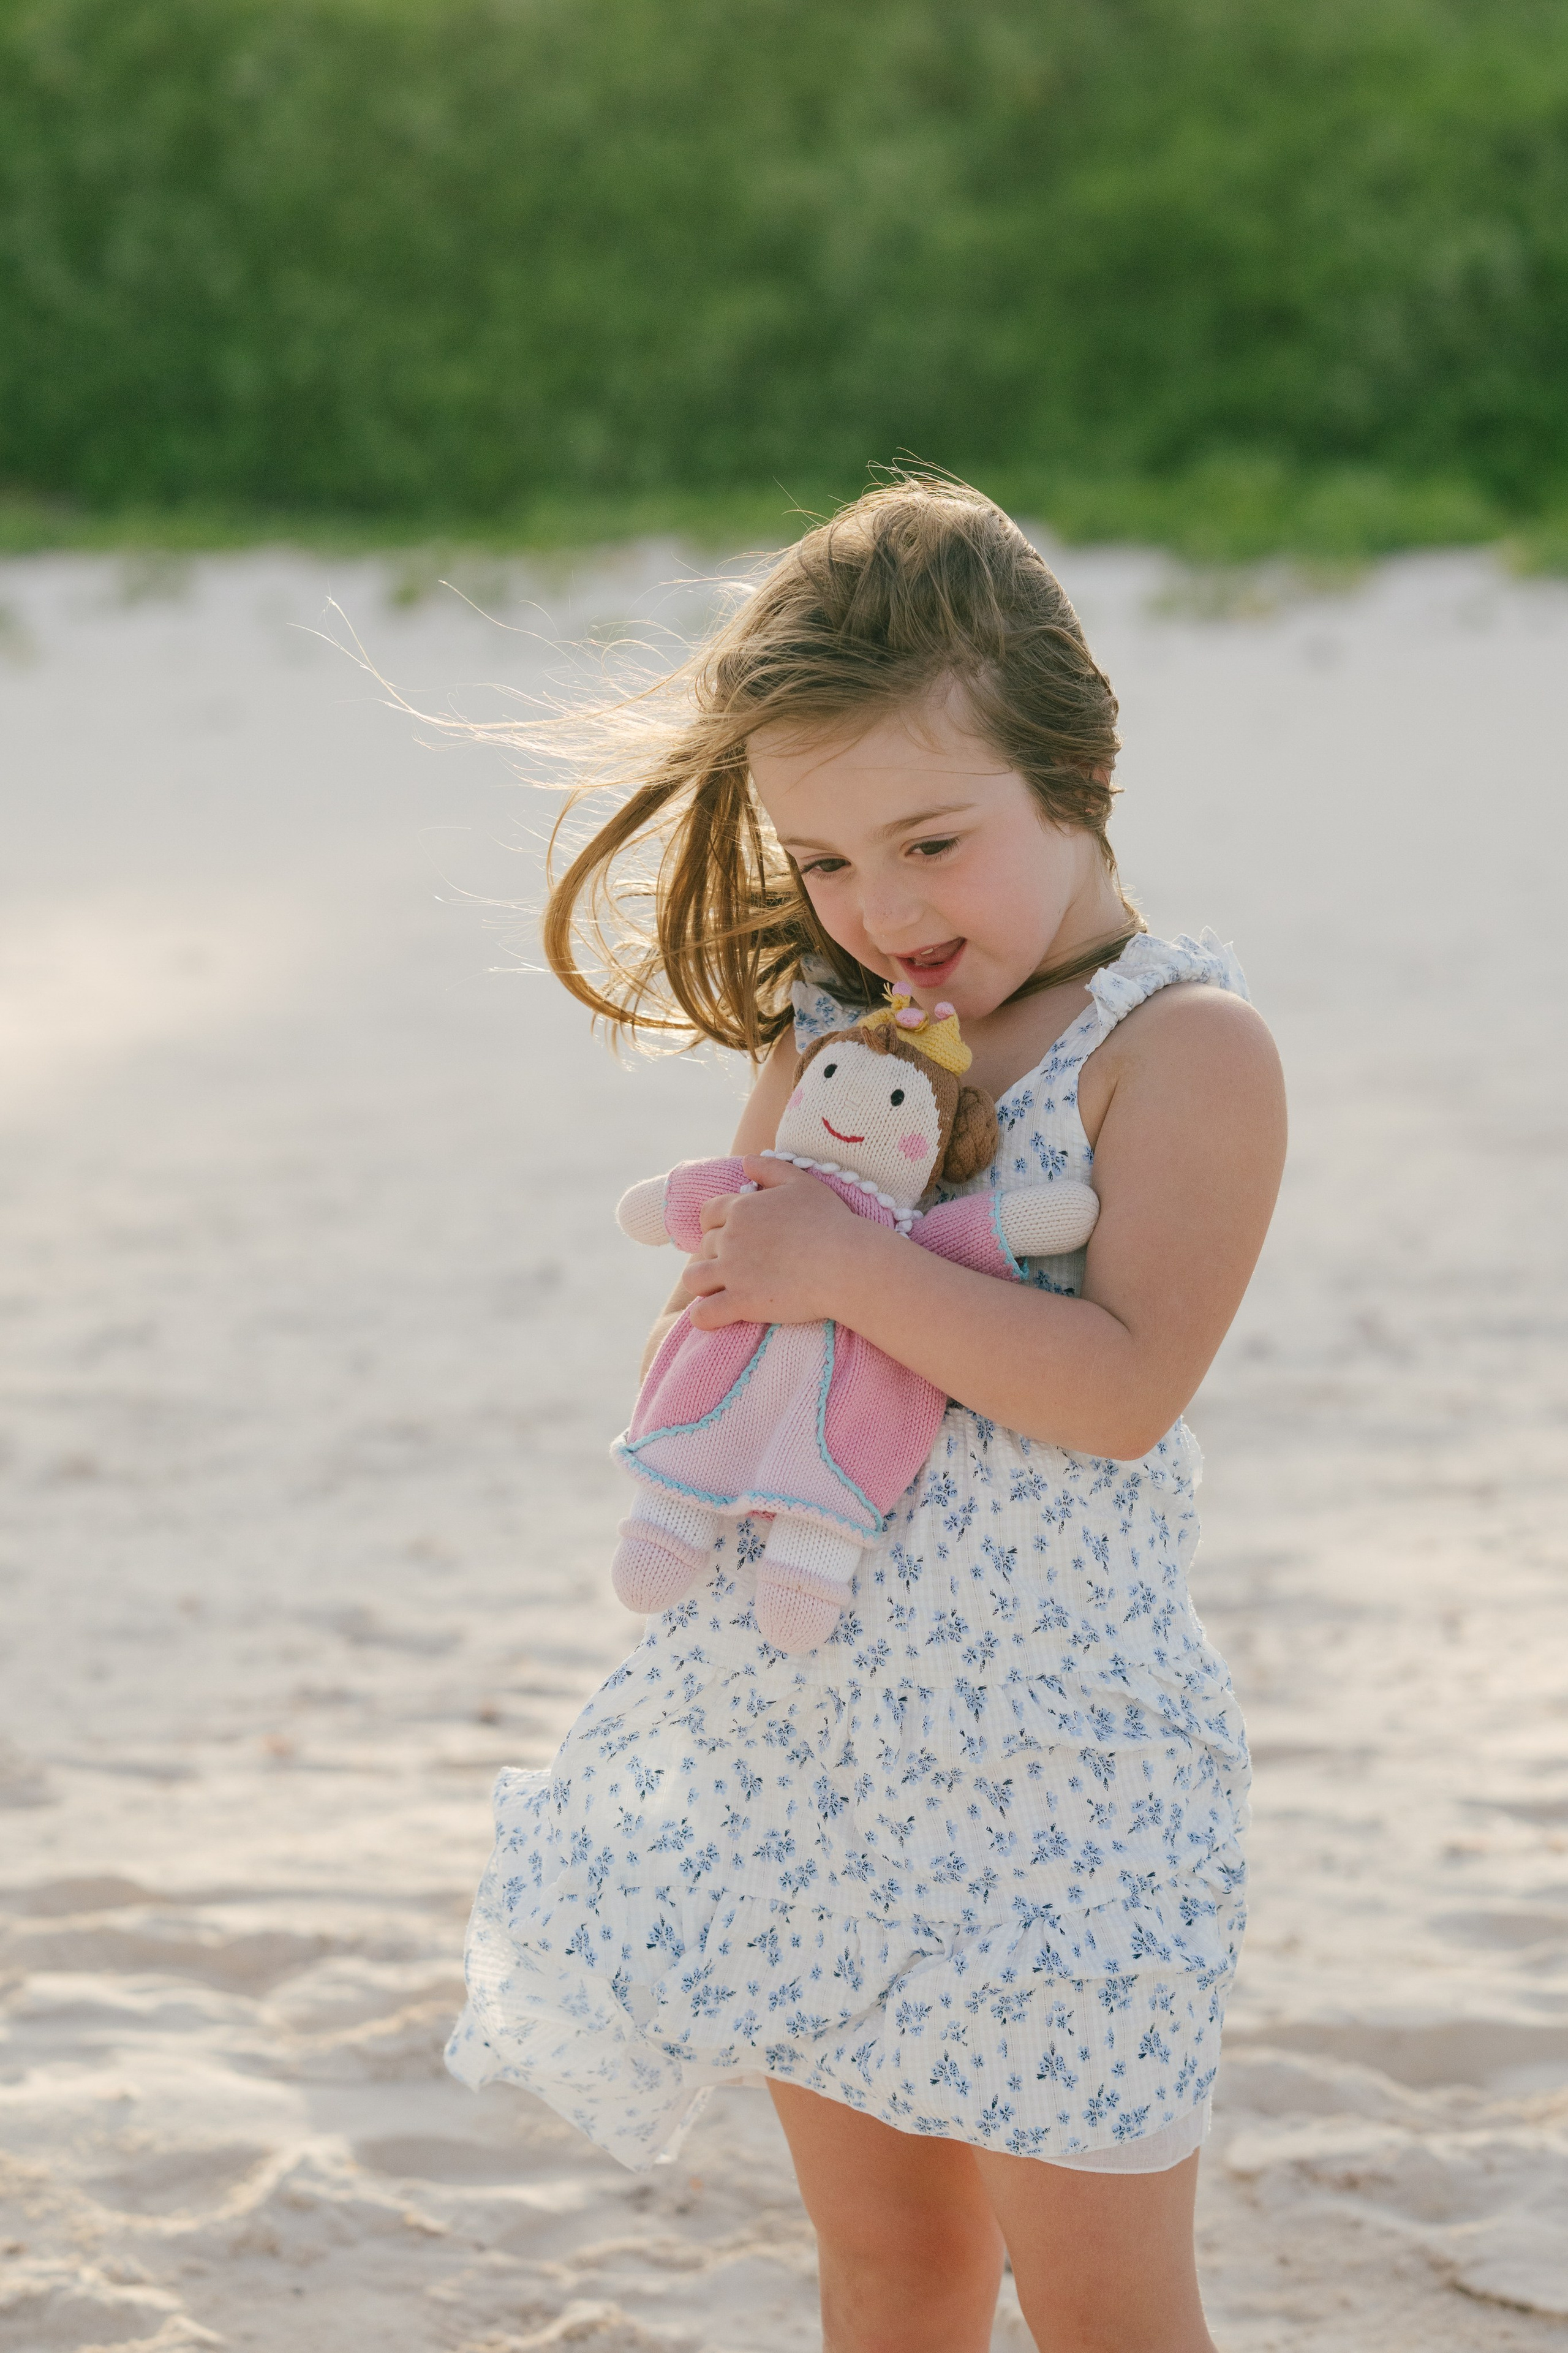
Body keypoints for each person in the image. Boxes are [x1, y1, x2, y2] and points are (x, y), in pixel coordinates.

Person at [446, 476, 1287, 2353]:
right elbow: (746, 1316)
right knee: (892, 2269)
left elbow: (1122, 1388)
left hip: (1070, 1786)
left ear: (1074, 771)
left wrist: (847, 1263)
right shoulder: (828, 1034)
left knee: (1106, 2304)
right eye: (824, 861)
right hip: (823, 1749)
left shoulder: (1180, 1051)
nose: (882, 911)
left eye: (932, 843)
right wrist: (749, 1261)